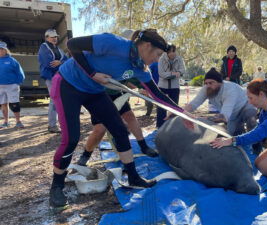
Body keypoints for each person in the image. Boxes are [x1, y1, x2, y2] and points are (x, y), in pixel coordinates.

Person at [48, 29, 186, 208]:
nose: (157, 59)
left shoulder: (139, 68)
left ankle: (134, 177)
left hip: (94, 91)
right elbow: (72, 45)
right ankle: (56, 187)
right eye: (158, 54)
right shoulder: (113, 43)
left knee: (120, 130)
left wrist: (183, 112)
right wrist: (92, 74)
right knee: (71, 139)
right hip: (68, 84)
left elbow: (157, 94)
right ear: (146, 46)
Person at [184, 68, 260, 153]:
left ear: (220, 83)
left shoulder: (230, 89)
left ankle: (257, 147)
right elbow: (193, 104)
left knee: (251, 120)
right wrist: (179, 112)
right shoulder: (206, 89)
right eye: (206, 83)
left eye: (211, 83)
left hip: (246, 105)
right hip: (232, 114)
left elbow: (223, 117)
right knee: (233, 136)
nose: (208, 85)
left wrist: (201, 120)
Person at [38, 29, 68, 133]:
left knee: (60, 100)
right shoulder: (43, 47)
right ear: (46, 38)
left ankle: (61, 124)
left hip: (60, 76)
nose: (55, 38)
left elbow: (67, 60)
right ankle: (52, 125)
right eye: (52, 37)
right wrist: (61, 63)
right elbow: (49, 63)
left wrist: (60, 62)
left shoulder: (58, 48)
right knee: (54, 100)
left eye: (55, 36)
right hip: (51, 77)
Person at [156, 44, 186, 128]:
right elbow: (161, 74)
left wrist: (179, 73)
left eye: (173, 51)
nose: (172, 53)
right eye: (169, 52)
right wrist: (173, 74)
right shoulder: (161, 59)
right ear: (166, 52)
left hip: (175, 87)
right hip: (162, 86)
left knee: (174, 107)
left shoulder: (179, 59)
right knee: (161, 107)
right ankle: (160, 127)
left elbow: (182, 70)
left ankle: (173, 126)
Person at [0, 41, 25, 129]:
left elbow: (20, 73)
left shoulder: (12, 60)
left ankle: (18, 122)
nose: (0, 50)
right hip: (0, 86)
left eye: (2, 49)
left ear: (5, 50)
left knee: (14, 104)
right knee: (3, 104)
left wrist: (17, 82)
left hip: (11, 86)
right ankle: (6, 122)